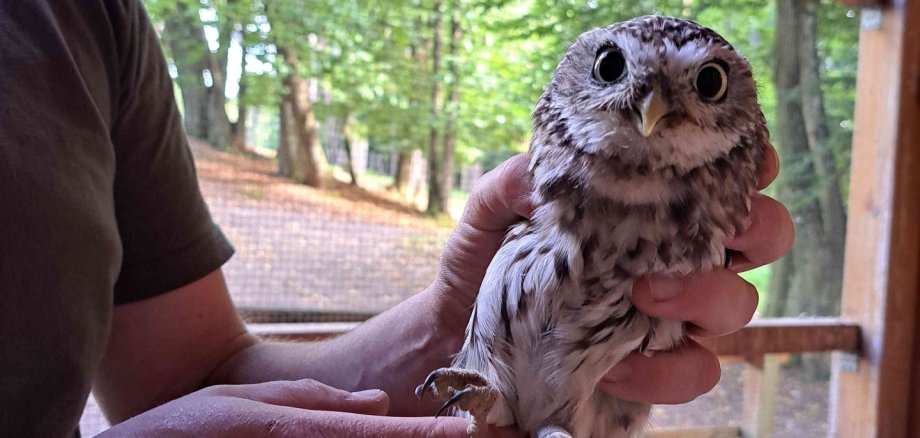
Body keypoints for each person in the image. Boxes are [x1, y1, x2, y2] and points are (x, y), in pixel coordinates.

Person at [0, 1, 794, 437]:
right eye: (614, 70)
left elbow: (187, 380)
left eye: (708, 86)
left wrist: (454, 329)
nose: (654, 107)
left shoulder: (81, 22)